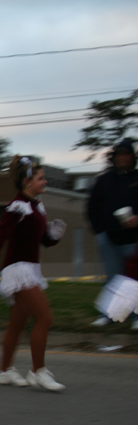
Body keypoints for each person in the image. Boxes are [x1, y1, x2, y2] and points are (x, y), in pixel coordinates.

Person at [0, 156, 66, 392]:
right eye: (41, 178)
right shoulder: (17, 206)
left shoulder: (37, 206)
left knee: (18, 323)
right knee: (45, 318)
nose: (45, 181)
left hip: (31, 268)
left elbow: (43, 241)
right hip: (18, 269)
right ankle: (38, 372)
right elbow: (1, 233)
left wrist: (54, 235)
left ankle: (4, 371)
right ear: (27, 181)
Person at [86, 139, 138, 328]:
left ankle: (135, 317)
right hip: (108, 238)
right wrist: (100, 230)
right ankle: (108, 315)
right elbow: (92, 207)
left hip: (133, 239)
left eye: (126, 154)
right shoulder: (104, 180)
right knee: (111, 277)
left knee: (133, 279)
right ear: (114, 158)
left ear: (132, 157)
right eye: (119, 155)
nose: (122, 158)